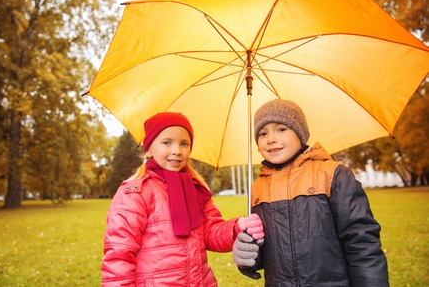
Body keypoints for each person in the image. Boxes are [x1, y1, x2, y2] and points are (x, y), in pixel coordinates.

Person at [232, 99, 389, 286]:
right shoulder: (258, 189)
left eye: (281, 129)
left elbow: (361, 242)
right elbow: (266, 253)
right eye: (262, 133)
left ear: (300, 133)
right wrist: (248, 253)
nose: (270, 139)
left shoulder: (333, 174)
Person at [101, 112, 264, 286]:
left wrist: (236, 227)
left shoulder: (196, 189)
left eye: (184, 144)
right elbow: (119, 256)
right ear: (148, 149)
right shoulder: (135, 193)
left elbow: (210, 234)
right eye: (167, 142)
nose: (177, 151)